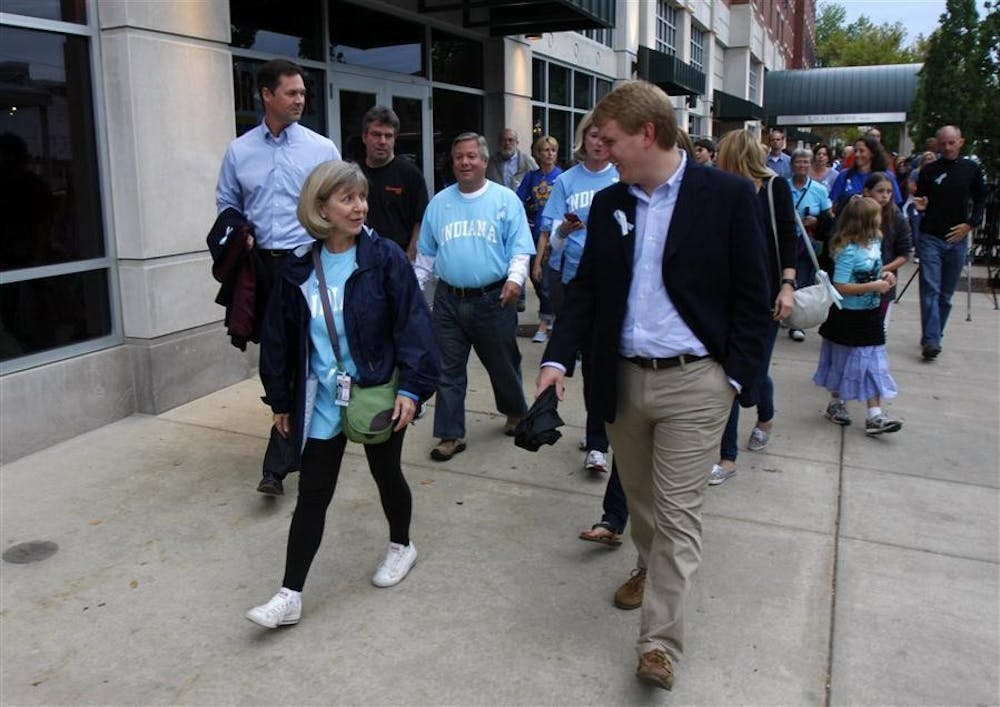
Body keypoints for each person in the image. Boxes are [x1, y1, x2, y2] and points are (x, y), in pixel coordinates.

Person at [536, 80, 772, 691]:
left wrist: (734, 379)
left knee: (677, 513)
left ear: (647, 133)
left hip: (696, 383)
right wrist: (557, 361)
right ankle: (647, 562)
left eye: (610, 140)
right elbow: (586, 292)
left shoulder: (726, 196)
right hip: (621, 380)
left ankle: (659, 644)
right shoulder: (610, 203)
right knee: (641, 503)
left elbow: (755, 297)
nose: (603, 151)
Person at [246, 160, 439, 629]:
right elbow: (277, 340)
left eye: (362, 197)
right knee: (313, 494)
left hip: (377, 391)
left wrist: (412, 388)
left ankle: (401, 545)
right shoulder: (297, 268)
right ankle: (289, 595)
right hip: (323, 399)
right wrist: (280, 401)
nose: (360, 207)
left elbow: (414, 325)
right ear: (321, 208)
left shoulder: (384, 257)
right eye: (347, 199)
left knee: (386, 474)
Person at [216, 58, 342, 496]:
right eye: (292, 93)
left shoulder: (321, 149)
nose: (300, 100)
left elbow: (341, 199)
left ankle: (278, 464)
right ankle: (296, 435)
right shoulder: (239, 151)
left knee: (298, 359)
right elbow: (227, 203)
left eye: (303, 93)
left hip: (305, 266)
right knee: (276, 357)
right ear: (266, 95)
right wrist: (238, 231)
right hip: (260, 270)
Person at [414, 133, 535, 461]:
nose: (465, 162)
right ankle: (450, 434)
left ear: (484, 160)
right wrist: (413, 291)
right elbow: (426, 256)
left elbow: (520, 248)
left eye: (471, 156)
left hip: (493, 299)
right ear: (453, 163)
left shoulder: (505, 200)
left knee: (503, 363)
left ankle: (515, 411)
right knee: (448, 370)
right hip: (448, 301)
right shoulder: (439, 203)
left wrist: (515, 279)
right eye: (459, 157)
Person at [709, 129, 797, 486]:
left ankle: (766, 416)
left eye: (721, 153)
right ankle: (727, 457)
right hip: (727, 296)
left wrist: (787, 286)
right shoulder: (720, 191)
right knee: (730, 374)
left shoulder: (775, 188)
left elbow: (788, 238)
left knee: (755, 372)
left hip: (767, 297)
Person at [536, 111, 619, 474]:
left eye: (604, 137)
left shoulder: (622, 177)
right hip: (575, 282)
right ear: (582, 139)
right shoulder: (566, 181)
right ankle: (597, 441)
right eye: (592, 136)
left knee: (609, 364)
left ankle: (602, 432)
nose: (598, 143)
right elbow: (554, 241)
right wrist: (565, 231)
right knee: (590, 363)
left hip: (616, 283)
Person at [814, 195, 902, 433]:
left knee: (873, 362)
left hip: (870, 314)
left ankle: (875, 414)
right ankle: (836, 402)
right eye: (876, 215)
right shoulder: (848, 250)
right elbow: (840, 285)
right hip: (847, 316)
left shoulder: (874, 244)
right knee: (842, 361)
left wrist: (884, 276)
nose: (881, 218)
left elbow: (873, 272)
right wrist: (874, 286)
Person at [913, 125, 988, 361]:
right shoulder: (929, 170)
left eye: (951, 143)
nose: (947, 147)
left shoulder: (971, 169)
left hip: (957, 238)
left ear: (960, 142)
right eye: (943, 143)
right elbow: (920, 197)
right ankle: (932, 340)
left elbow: (981, 199)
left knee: (945, 294)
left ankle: (934, 333)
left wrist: (970, 224)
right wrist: (920, 205)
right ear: (937, 144)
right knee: (930, 289)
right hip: (931, 237)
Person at [358, 105, 429, 262]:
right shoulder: (354, 174)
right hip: (360, 259)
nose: (382, 141)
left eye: (388, 136)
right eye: (376, 134)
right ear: (364, 137)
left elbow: (421, 221)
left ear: (394, 139)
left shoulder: (410, 174)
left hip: (398, 259)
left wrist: (409, 257)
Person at [516, 135, 563, 343]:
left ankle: (545, 322)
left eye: (553, 150)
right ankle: (551, 315)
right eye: (545, 150)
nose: (549, 154)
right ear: (537, 153)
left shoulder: (561, 177)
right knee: (535, 277)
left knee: (545, 281)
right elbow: (518, 200)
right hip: (534, 233)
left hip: (555, 236)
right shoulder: (531, 177)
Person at [786, 147, 834, 343]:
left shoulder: (819, 190)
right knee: (785, 277)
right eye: (798, 161)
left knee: (803, 280)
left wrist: (817, 221)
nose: (802, 165)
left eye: (806, 162)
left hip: (807, 242)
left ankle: (797, 323)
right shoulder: (782, 186)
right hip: (786, 240)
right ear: (792, 164)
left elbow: (829, 218)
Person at [862, 172, 912, 332]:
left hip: (884, 281)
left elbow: (904, 254)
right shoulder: (856, 214)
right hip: (856, 279)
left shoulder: (897, 218)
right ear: (867, 191)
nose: (885, 196)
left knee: (877, 329)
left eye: (889, 192)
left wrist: (883, 269)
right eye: (880, 191)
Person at [829, 135, 902, 213]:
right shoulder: (844, 175)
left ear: (872, 153)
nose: (857, 155)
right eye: (855, 151)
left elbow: (896, 204)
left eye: (862, 151)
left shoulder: (887, 176)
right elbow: (834, 205)